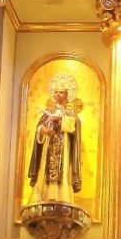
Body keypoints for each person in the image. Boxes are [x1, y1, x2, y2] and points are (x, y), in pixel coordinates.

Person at [26, 73, 82, 205]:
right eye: (56, 92)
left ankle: (63, 199)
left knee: (63, 174)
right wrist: (44, 130)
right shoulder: (48, 111)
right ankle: (44, 199)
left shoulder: (70, 113)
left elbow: (75, 127)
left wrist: (61, 120)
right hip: (49, 149)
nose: (58, 95)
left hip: (65, 151)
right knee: (46, 172)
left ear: (67, 95)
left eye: (61, 92)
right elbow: (39, 128)